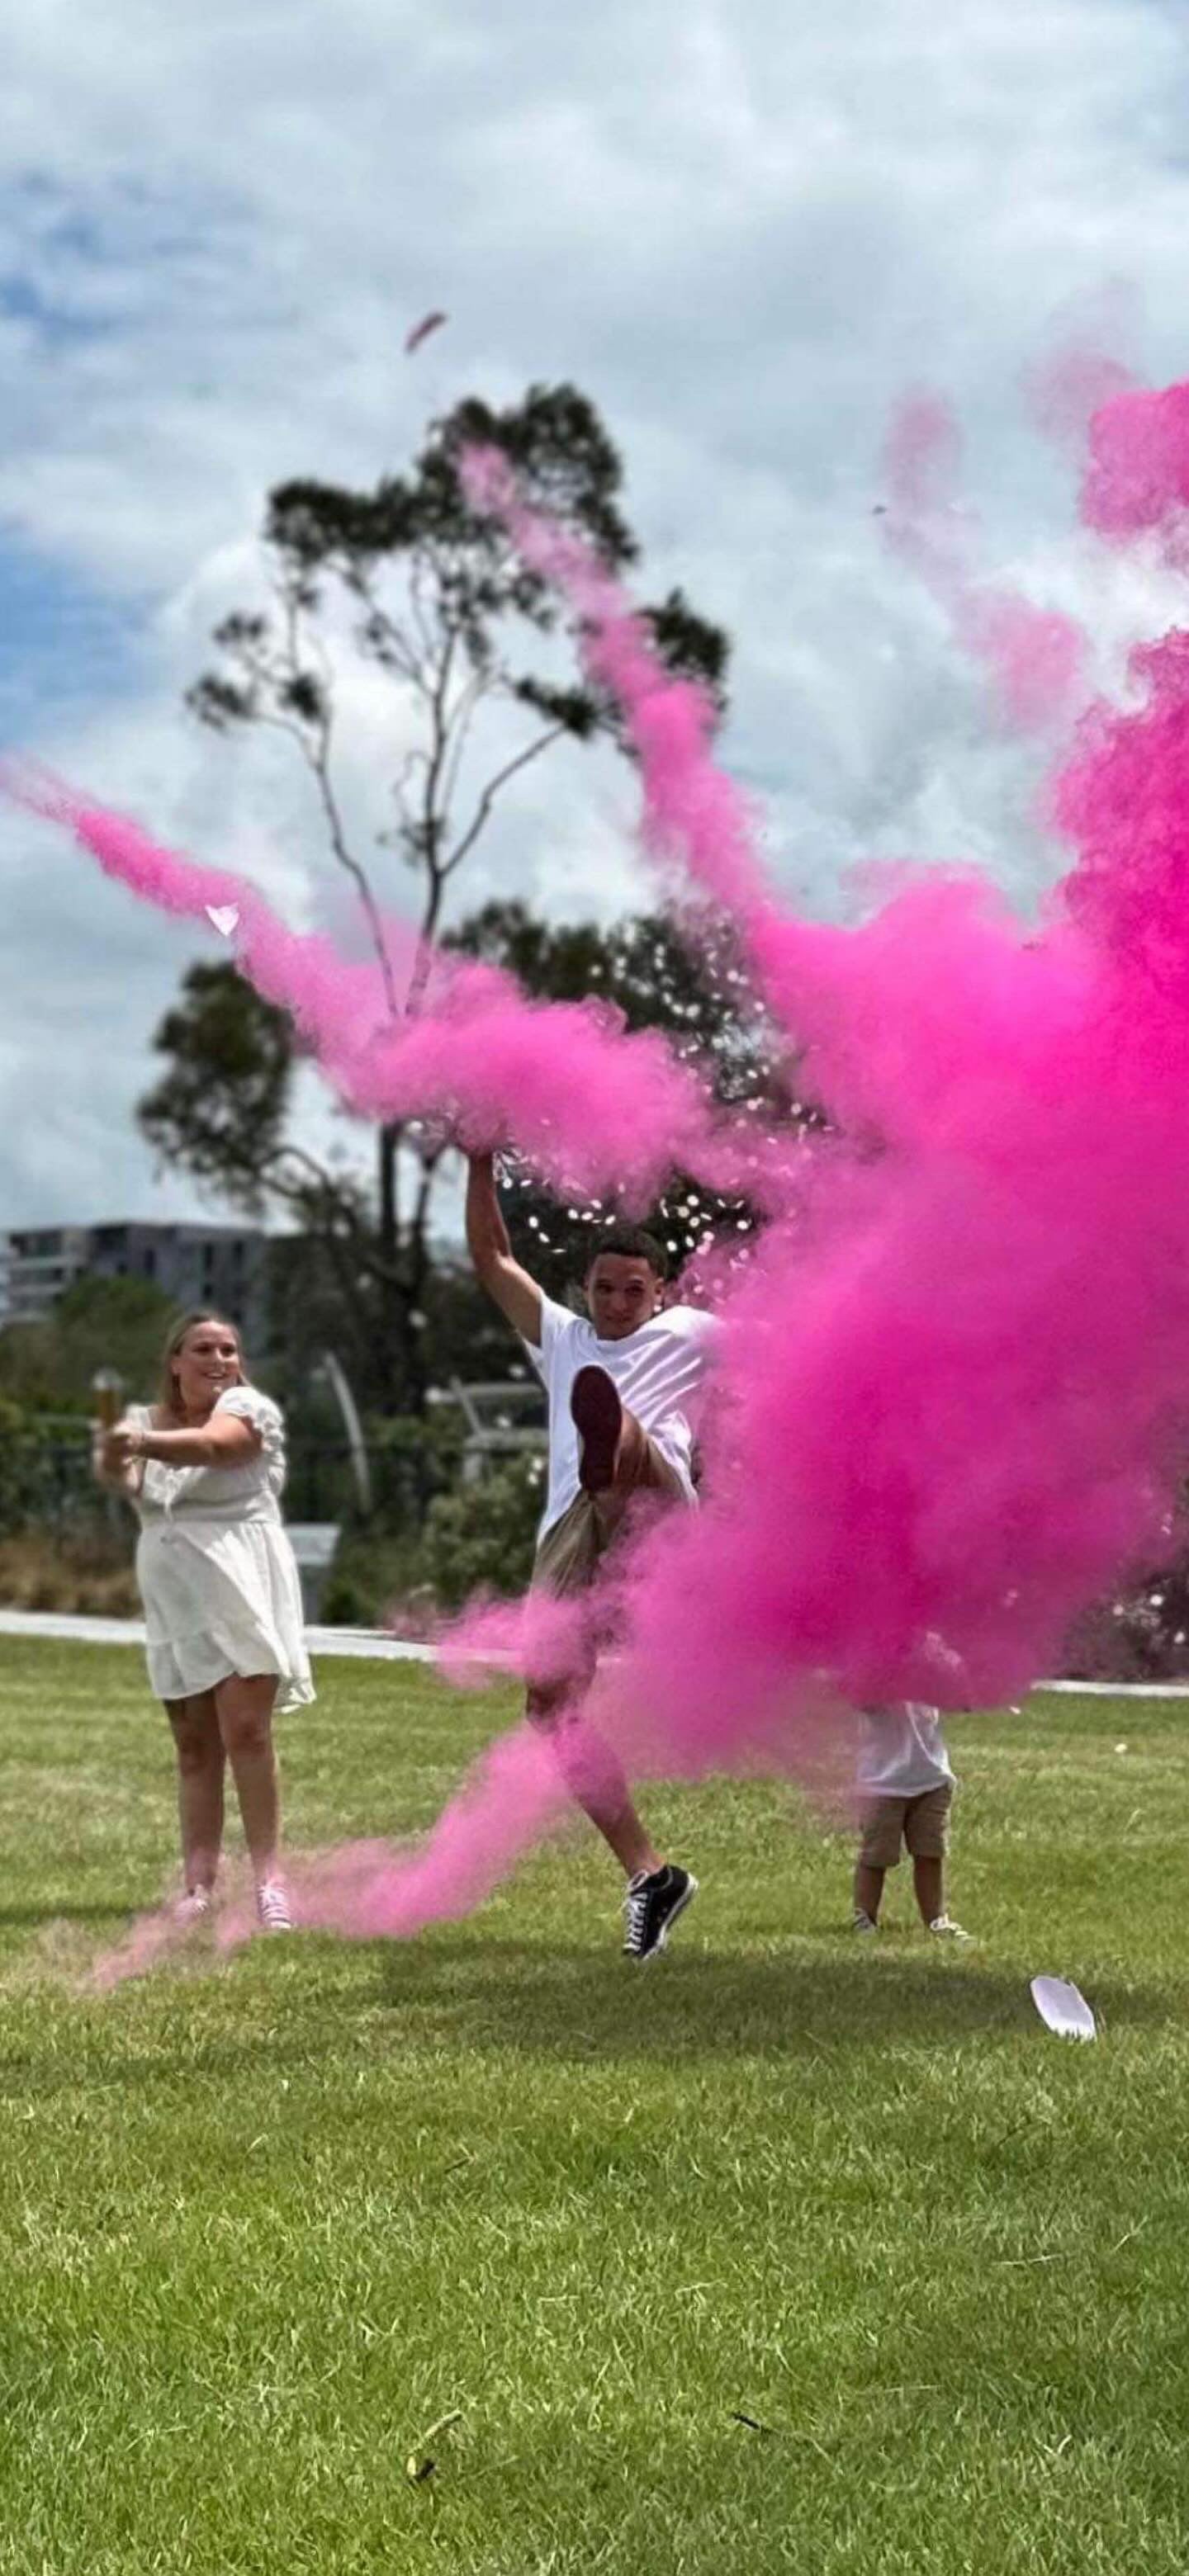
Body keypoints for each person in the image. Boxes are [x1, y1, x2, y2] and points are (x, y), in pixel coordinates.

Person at [466, 1152, 719, 1960]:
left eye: (632, 1291)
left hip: (656, 1503)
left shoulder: (693, 1332)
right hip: (570, 1531)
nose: (615, 1304)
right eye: (603, 1289)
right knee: (550, 1709)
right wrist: (479, 1160)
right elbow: (492, 1258)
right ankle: (651, 1875)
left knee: (626, 1450)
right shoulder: (563, 1336)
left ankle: (617, 1446)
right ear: (585, 1289)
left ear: (661, 1292)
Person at [93, 1309, 314, 1931]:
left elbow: (220, 1448)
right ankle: (199, 1886)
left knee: (247, 1731)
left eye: (228, 1349)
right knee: (194, 1747)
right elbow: (126, 1480)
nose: (219, 1360)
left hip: (241, 1581)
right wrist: (111, 1450)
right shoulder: (142, 1419)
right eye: (203, 1349)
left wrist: (140, 1443)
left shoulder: (248, 1407)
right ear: (175, 1361)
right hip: (175, 1593)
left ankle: (269, 1881)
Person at [851, 1703, 971, 1939]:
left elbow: (958, 1700)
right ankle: (864, 1916)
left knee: (931, 1852)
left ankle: (936, 1918)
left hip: (931, 1779)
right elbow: (863, 1701)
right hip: (882, 1784)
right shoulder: (876, 1686)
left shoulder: (930, 1684)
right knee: (876, 1855)